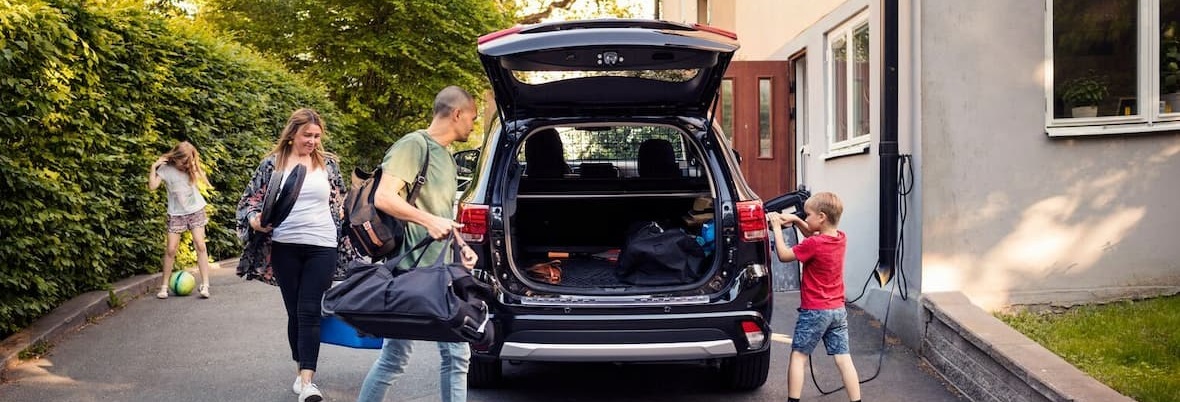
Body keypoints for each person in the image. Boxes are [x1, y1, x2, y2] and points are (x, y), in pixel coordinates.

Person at [357, 86, 480, 402]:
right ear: (456, 114)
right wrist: (428, 222)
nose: (473, 125)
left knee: (456, 354)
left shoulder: (447, 157)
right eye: (472, 117)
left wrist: (459, 245)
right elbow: (385, 197)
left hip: (439, 271)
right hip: (410, 272)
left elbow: (439, 212)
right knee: (396, 358)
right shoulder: (414, 145)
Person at [236, 108, 354, 402]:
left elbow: (340, 199)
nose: (312, 141)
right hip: (285, 245)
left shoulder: (328, 165)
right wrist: (254, 220)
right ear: (292, 135)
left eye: (316, 136)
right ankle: (301, 372)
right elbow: (249, 201)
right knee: (295, 312)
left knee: (309, 310)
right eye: (307, 135)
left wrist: (345, 210)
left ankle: (307, 380)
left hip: (322, 244)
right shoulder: (271, 164)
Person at [767, 192, 861, 402]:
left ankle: (793, 400)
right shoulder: (840, 238)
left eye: (807, 214)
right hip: (837, 310)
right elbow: (812, 235)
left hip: (815, 311)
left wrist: (776, 229)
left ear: (821, 217)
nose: (805, 218)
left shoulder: (814, 245)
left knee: (799, 356)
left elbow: (784, 255)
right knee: (844, 359)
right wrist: (797, 220)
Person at [148, 141, 214, 299]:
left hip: (195, 210)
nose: (186, 165)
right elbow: (152, 186)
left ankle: (205, 285)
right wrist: (153, 167)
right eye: (183, 162)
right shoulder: (165, 169)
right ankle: (164, 287)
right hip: (176, 214)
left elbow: (204, 180)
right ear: (175, 158)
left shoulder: (190, 168)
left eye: (189, 161)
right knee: (171, 249)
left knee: (200, 245)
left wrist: (195, 166)